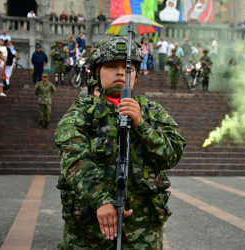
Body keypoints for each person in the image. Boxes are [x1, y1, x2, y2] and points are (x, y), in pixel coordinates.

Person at [54, 35, 186, 249]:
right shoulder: (81, 112)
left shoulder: (151, 111)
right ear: (97, 71)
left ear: (136, 74)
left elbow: (172, 154)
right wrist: (101, 199)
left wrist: (141, 125)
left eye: (128, 68)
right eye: (111, 66)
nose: (120, 72)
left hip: (142, 232)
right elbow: (74, 159)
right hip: (90, 229)